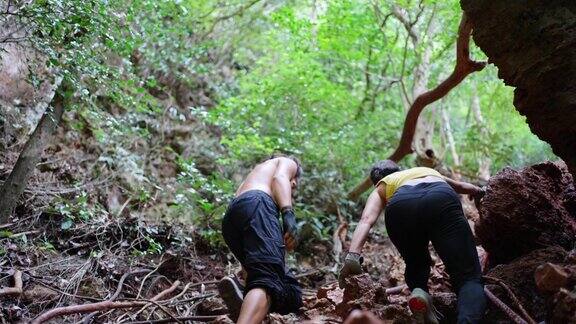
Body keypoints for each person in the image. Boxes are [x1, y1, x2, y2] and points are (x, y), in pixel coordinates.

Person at [339, 160, 486, 324]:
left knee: (416, 264)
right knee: (468, 277)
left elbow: (366, 220)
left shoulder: (384, 185)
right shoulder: (422, 171)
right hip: (440, 196)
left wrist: (352, 256)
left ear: (376, 182)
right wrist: (479, 191)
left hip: (401, 206)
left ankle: (419, 291)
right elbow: (462, 186)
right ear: (400, 170)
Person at [218, 155, 303, 324]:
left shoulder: (255, 176)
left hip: (231, 218)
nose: (293, 187)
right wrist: (288, 213)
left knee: (289, 290)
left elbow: (250, 269)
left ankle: (246, 304)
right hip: (258, 206)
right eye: (295, 185)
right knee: (268, 280)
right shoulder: (287, 163)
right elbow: (280, 178)